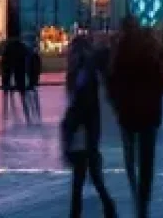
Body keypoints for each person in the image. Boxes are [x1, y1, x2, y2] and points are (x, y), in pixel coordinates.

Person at [107, 16, 163, 218]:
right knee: (147, 159)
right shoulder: (153, 48)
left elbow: (112, 79)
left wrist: (116, 104)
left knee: (129, 155)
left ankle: (136, 192)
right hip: (150, 111)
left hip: (127, 110)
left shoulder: (120, 49)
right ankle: (144, 200)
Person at [63, 34, 117, 218]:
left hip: (83, 129)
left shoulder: (83, 72)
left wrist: (71, 123)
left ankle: (82, 212)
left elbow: (81, 102)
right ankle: (108, 208)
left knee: (82, 177)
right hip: (88, 128)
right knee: (90, 175)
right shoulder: (85, 71)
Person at [1, 34, 31, 121]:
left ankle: (6, 114)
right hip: (22, 81)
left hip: (13, 80)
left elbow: (4, 66)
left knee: (9, 83)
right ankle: (26, 113)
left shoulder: (8, 49)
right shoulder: (23, 48)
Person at [27, 39, 43, 120]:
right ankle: (35, 110)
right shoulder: (34, 56)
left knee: (31, 94)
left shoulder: (32, 56)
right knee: (33, 93)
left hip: (31, 79)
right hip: (32, 79)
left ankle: (33, 110)